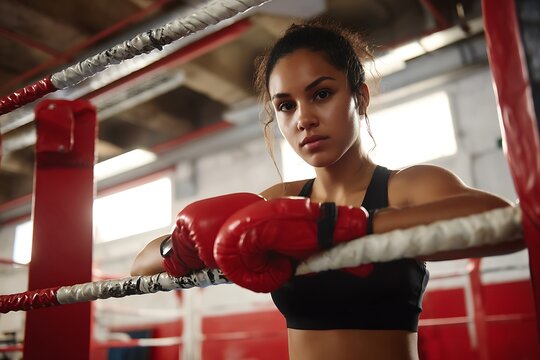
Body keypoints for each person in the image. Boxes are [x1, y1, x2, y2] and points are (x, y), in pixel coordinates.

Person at [131, 20, 524, 360]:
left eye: (321, 94)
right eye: (285, 106)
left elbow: (507, 224)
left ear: (360, 97)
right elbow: (141, 266)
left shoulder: (405, 186)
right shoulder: (278, 201)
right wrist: (180, 245)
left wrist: (338, 226)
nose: (304, 118)